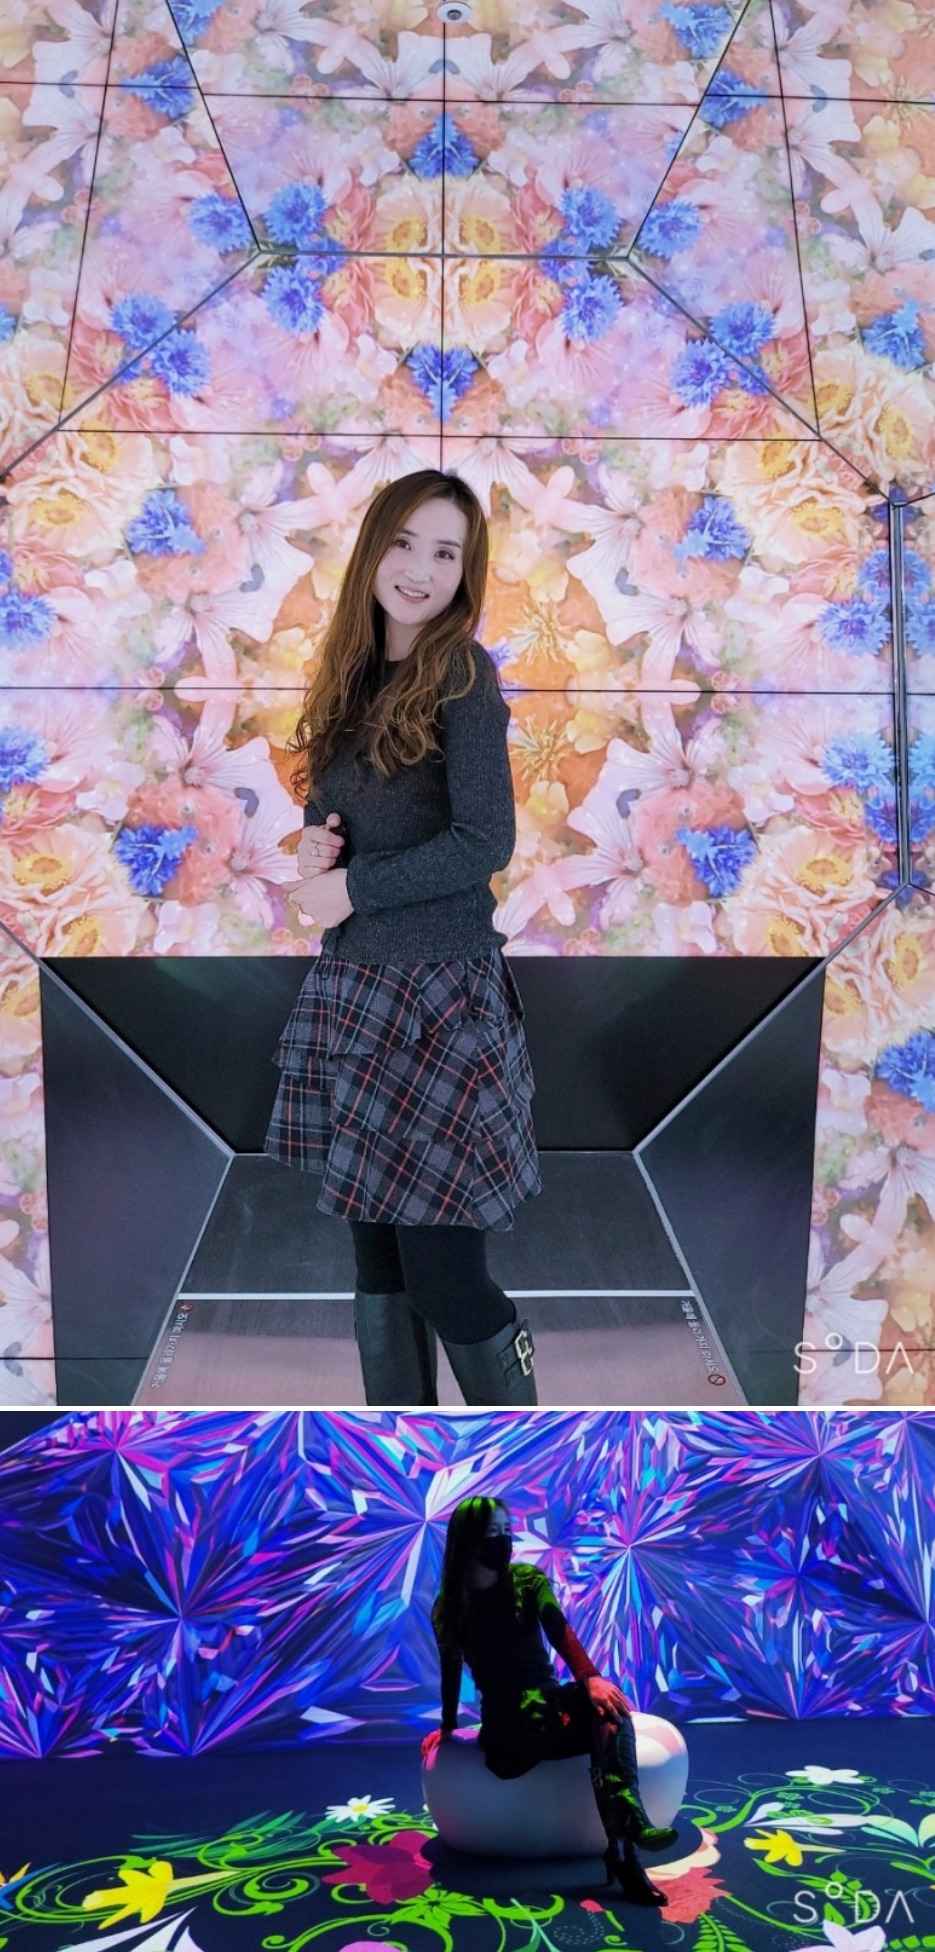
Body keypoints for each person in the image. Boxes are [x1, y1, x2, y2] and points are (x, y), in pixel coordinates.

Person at [264, 470, 541, 1407]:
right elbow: (341, 817)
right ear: (373, 549)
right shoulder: (351, 673)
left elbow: (484, 842)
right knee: (378, 1268)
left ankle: (521, 1447)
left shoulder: (461, 671)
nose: (420, 568)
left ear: (466, 572)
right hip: (357, 994)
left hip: (438, 1002)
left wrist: (351, 887)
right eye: (404, 543)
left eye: (445, 552)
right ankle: (405, 1458)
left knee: (442, 1276)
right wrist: (316, 845)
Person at [422, 1497, 677, 1906]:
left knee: (607, 1708)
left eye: (507, 1532)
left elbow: (559, 1631)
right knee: (587, 1727)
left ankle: (626, 1841)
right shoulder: (449, 1607)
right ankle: (623, 1848)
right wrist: (448, 1727)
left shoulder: (527, 1581)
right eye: (492, 1533)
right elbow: (450, 1671)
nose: (504, 1541)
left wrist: (590, 1680)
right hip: (508, 1723)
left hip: (550, 1701)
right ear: (468, 1541)